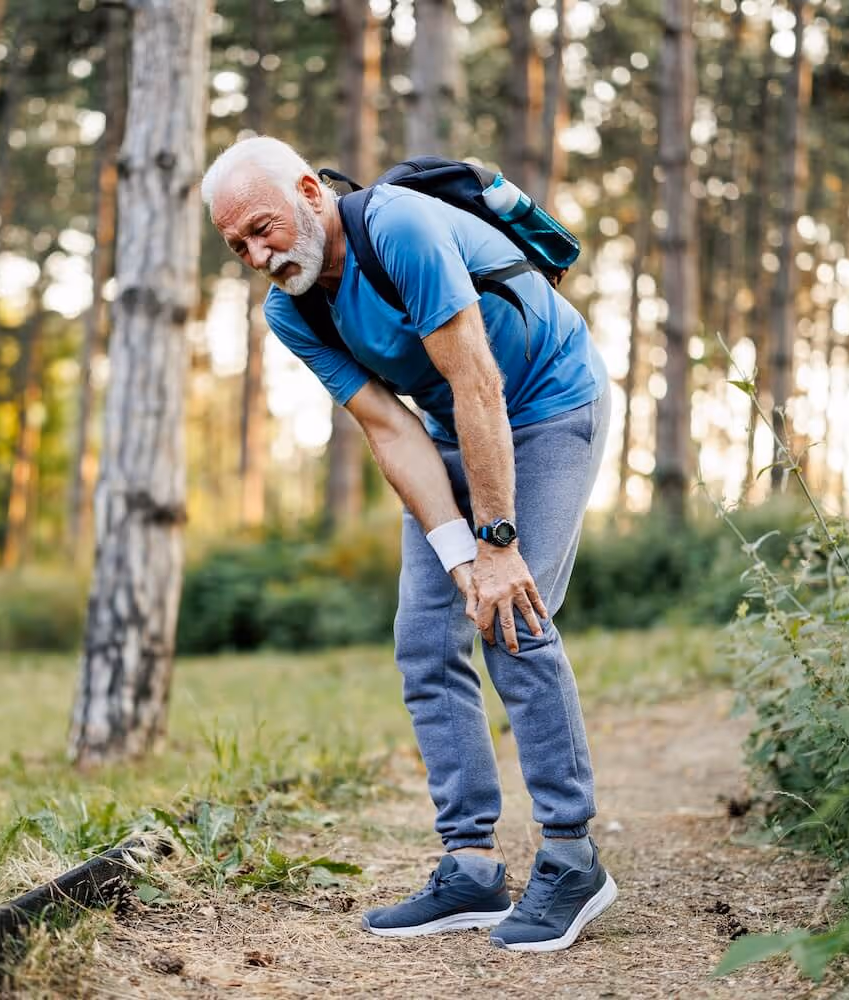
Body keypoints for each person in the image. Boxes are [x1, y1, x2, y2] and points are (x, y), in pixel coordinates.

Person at [200, 136, 615, 953]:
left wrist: (496, 547)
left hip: (549, 403)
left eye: (262, 228)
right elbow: (391, 426)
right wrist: (457, 551)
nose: (256, 255)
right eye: (237, 246)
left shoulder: (402, 230)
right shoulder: (291, 310)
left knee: (511, 615)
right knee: (427, 638)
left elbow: (478, 382)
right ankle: (470, 868)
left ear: (310, 193)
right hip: (453, 433)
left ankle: (572, 857)